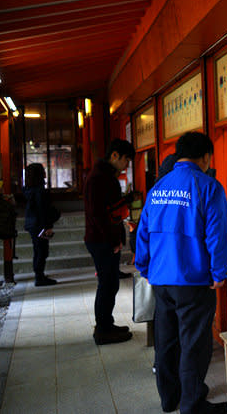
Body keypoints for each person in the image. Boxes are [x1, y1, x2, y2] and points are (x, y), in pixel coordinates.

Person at [135, 131, 227, 414]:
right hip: (194, 280)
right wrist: (219, 272)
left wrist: (144, 266)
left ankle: (169, 397)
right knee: (194, 344)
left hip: (161, 278)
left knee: (167, 340)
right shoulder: (209, 187)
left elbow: (143, 233)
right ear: (204, 157)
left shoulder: (158, 188)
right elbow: (217, 234)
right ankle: (192, 404)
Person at [84, 138, 135, 345]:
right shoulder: (99, 178)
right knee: (107, 284)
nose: (127, 165)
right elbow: (99, 214)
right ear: (114, 155)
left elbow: (109, 208)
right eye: (126, 159)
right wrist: (113, 239)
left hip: (102, 238)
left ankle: (106, 324)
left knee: (110, 283)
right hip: (101, 239)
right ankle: (103, 330)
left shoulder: (103, 176)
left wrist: (126, 201)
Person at [24, 163, 60, 286]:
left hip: (32, 224)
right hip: (39, 224)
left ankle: (39, 274)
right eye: (43, 170)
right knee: (42, 251)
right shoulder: (39, 190)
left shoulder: (29, 190)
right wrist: (48, 226)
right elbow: (43, 210)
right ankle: (39, 277)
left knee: (38, 249)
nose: (45, 172)